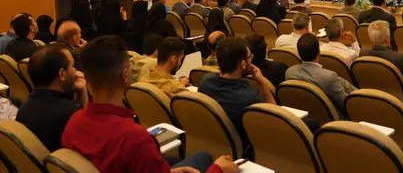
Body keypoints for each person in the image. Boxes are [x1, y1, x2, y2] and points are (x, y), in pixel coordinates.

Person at [62, 35, 236, 173]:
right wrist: (218, 170)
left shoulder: (73, 124)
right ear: (125, 76)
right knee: (207, 159)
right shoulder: (135, 139)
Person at [198, 36, 276, 153]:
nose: (251, 59)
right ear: (243, 64)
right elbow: (274, 118)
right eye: (250, 57)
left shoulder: (205, 81)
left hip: (212, 143)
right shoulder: (248, 97)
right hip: (246, 150)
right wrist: (262, 82)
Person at [16, 44, 87, 151]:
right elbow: (87, 129)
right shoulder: (70, 113)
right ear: (62, 74)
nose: (75, 71)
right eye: (72, 66)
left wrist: (81, 90)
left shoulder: (24, 109)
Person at [286, 33, 356, 115]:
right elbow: (346, 104)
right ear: (319, 52)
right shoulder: (329, 77)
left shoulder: (289, 73)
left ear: (298, 53)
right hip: (333, 118)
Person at [360, 21, 403, 104]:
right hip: (399, 101)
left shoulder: (363, 55)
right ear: (387, 40)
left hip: (373, 97)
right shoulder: (400, 58)